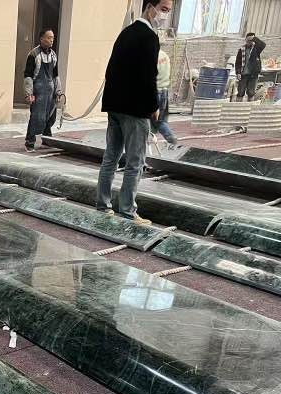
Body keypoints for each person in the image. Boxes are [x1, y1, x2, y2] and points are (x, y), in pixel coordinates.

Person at [96, 0, 172, 225]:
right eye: (163, 9)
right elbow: (149, 76)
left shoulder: (125, 33)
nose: (165, 15)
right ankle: (127, 210)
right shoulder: (149, 38)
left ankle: (103, 205)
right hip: (135, 110)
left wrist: (111, 103)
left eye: (168, 11)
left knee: (111, 158)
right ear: (150, 7)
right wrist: (153, 106)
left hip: (115, 106)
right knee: (135, 162)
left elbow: (110, 70)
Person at [23, 29, 63, 152]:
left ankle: (47, 140)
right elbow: (28, 76)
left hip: (51, 92)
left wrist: (58, 91)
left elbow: (56, 75)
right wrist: (29, 93)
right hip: (38, 91)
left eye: (53, 38)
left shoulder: (53, 55)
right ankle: (30, 142)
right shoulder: (33, 55)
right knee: (36, 117)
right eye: (49, 37)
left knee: (50, 117)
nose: (51, 40)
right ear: (41, 39)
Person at [153, 49, 178, 145]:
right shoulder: (164, 55)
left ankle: (171, 139)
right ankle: (171, 139)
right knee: (161, 120)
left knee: (153, 121)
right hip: (164, 91)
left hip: (154, 92)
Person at [235, 32, 266, 102]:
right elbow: (238, 62)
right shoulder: (241, 49)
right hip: (243, 74)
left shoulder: (256, 49)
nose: (250, 42)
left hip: (253, 74)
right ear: (245, 40)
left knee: (251, 92)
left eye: (251, 40)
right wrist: (238, 72)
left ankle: (249, 106)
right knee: (240, 92)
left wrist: (254, 38)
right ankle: (238, 106)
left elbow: (263, 45)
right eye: (248, 40)